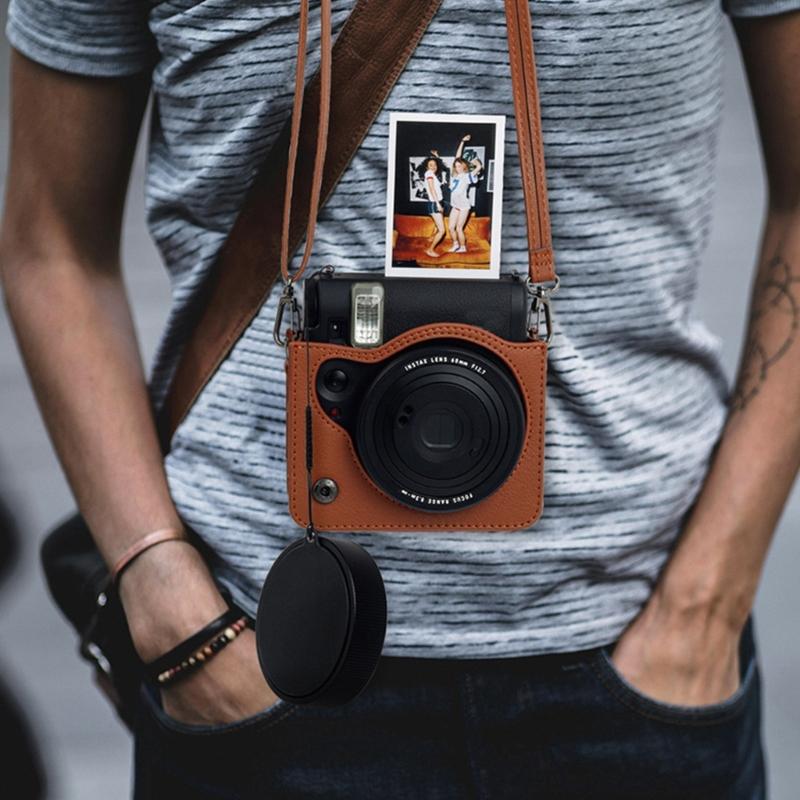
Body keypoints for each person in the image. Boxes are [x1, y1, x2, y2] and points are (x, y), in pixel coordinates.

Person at [0, 1, 798, 798]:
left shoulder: (683, 631)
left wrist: (706, 603)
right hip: (252, 651)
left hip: (648, 655)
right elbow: (50, 244)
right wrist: (163, 594)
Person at [444, 134, 483, 253]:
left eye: (460, 165)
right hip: (455, 205)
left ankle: (463, 247)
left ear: (464, 166)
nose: (458, 167)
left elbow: (479, 167)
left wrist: (477, 163)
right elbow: (457, 156)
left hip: (464, 206)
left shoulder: (467, 176)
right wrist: (462, 142)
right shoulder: (454, 175)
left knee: (459, 228)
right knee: (451, 228)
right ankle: (455, 244)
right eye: (456, 166)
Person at [421, 156, 446, 257]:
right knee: (442, 230)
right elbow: (432, 189)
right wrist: (438, 204)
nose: (433, 166)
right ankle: (430, 250)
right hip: (434, 203)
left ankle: (432, 238)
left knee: (438, 225)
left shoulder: (433, 175)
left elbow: (435, 187)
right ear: (427, 167)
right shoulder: (429, 173)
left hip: (438, 201)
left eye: (435, 165)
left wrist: (437, 157)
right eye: (430, 165)